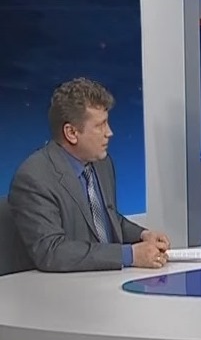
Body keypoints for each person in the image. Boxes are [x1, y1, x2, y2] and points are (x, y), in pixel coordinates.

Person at [8, 77, 170, 272]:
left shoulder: (102, 164)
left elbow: (108, 219)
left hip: (108, 280)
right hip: (63, 287)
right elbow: (52, 252)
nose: (109, 132)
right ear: (71, 133)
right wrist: (129, 255)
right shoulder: (34, 178)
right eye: (100, 125)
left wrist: (143, 236)